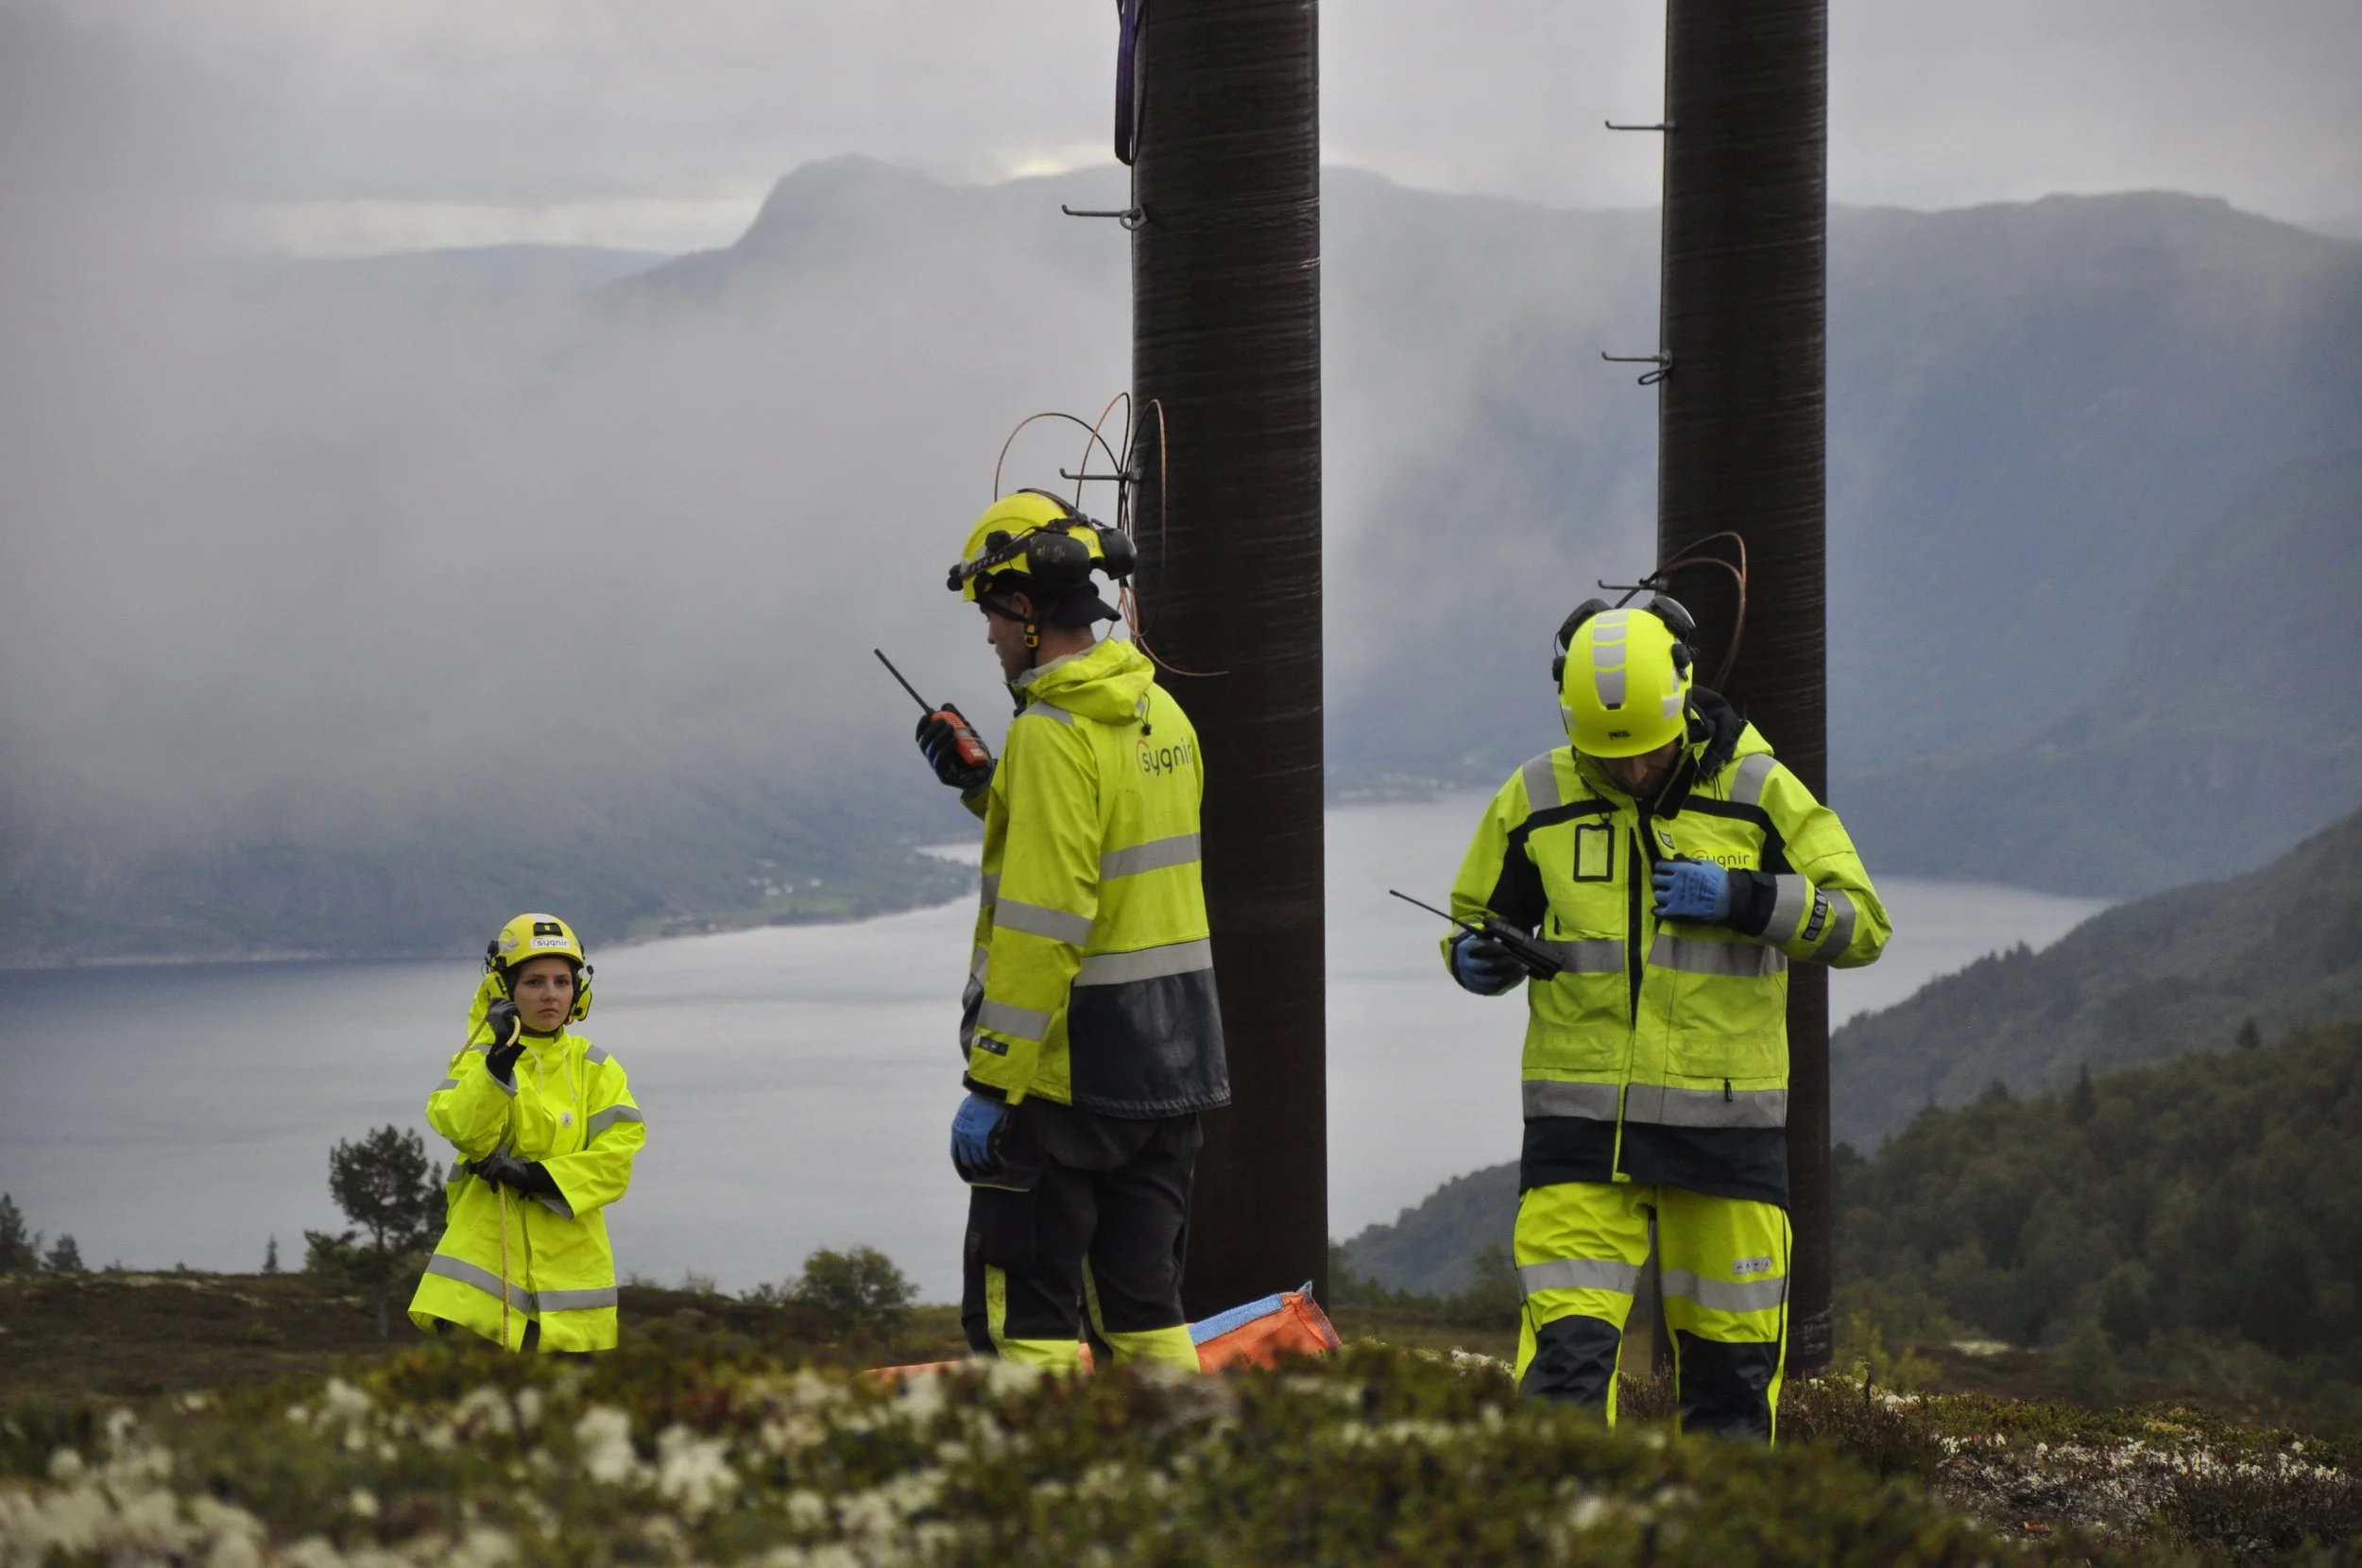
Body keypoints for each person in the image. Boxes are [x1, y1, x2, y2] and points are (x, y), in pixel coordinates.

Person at [1444, 597, 1888, 1440]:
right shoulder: (1537, 795)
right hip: (1582, 1135)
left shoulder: (1760, 793)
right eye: (1611, 757)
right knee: (1561, 1380)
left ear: (1684, 698)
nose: (1634, 772)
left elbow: (1861, 923)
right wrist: (1472, 961)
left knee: (1728, 1389)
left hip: (1723, 1138)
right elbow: (1477, 918)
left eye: (1647, 750)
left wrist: (1748, 899)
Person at [916, 488, 1228, 1372]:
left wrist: (994, 1083)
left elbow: (1045, 922)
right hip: (1173, 1068)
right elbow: (1117, 849)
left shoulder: (1052, 735)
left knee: (1030, 1319)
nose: (985, 637)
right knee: (1147, 1309)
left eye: (989, 613)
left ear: (1022, 607)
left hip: (1068, 1080)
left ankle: (1042, 1507)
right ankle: (1176, 1485)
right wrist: (986, 786)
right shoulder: (1161, 712)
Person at [409, 912, 645, 1352]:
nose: (551, 996)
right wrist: (498, 1064)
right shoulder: (482, 1059)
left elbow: (617, 1161)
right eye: (534, 982)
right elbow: (463, 1129)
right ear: (506, 991)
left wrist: (535, 1177)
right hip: (479, 1302)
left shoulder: (597, 1068)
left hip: (571, 1313)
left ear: (579, 990)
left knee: (561, 1422)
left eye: (562, 981)